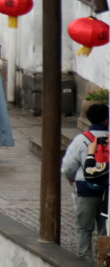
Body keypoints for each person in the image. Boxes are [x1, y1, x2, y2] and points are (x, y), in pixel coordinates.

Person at [62, 103, 108, 259]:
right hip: (107, 191)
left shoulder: (80, 140)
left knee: (84, 228)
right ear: (106, 120)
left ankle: (84, 258)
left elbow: (68, 166)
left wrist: (70, 177)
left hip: (85, 189)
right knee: (106, 229)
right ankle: (103, 258)